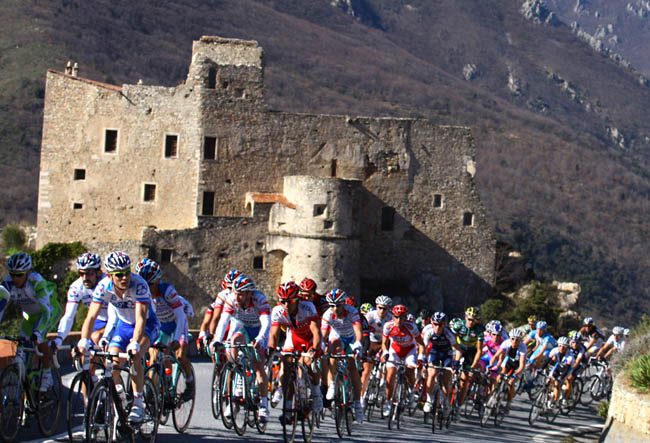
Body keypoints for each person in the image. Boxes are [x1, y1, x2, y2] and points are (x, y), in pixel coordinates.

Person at [76, 251, 160, 423]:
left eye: (127, 272)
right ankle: (120, 394)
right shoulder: (103, 287)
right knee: (112, 364)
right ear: (109, 275)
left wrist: (135, 343)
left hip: (146, 326)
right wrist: (84, 340)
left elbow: (141, 318)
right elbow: (91, 316)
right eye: (119, 274)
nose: (124, 278)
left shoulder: (140, 285)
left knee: (135, 355)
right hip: (123, 326)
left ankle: (138, 403)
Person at [212, 274, 271, 421]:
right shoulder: (231, 299)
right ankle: (236, 391)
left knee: (258, 367)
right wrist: (217, 340)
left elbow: (266, 323)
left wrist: (260, 339)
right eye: (235, 293)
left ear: (249, 294)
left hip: (258, 330)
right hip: (242, 327)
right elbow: (223, 321)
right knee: (234, 341)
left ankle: (264, 405)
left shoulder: (260, 299)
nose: (237, 297)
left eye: (240, 294)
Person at [0, 252, 62, 392]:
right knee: (22, 348)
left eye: (19, 275)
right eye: (13, 274)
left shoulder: (36, 281)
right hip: (29, 315)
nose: (15, 278)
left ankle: (47, 374)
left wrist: (38, 333)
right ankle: (27, 388)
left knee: (40, 338)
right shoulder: (7, 282)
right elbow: (1, 307)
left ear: (28, 272)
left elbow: (46, 311)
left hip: (48, 311)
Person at [135, 258, 194, 400]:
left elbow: (180, 317)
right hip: (161, 325)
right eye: (143, 284)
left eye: (150, 284)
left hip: (177, 323)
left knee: (179, 356)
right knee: (154, 357)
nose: (146, 288)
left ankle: (189, 383)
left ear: (157, 281)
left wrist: (176, 339)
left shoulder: (167, 291)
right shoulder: (140, 292)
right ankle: (154, 392)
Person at [268, 281, 323, 418]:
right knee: (286, 365)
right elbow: (274, 335)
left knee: (309, 362)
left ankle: (316, 393)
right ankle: (287, 408)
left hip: (310, 339)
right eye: (283, 301)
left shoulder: (308, 307)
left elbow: (316, 332)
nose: (286, 305)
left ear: (297, 299)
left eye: (291, 301)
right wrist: (270, 349)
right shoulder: (278, 311)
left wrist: (314, 350)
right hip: (294, 337)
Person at [321, 288, 364, 423]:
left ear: (344, 304)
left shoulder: (352, 312)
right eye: (332, 306)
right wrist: (322, 348)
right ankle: (332, 384)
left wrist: (357, 344)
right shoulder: (328, 314)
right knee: (332, 351)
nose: (334, 309)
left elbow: (358, 332)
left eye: (337, 305)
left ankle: (357, 404)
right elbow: (323, 335)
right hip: (337, 336)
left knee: (352, 369)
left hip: (351, 338)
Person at [381, 304, 424, 417]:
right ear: (393, 317)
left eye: (402, 317)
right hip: (395, 350)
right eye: (396, 317)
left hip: (409, 350)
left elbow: (421, 343)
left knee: (410, 370)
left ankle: (411, 392)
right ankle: (388, 403)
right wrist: (385, 352)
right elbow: (384, 343)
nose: (399, 320)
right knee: (390, 376)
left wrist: (420, 358)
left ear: (406, 318)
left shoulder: (411, 327)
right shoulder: (388, 326)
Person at [421, 311, 461, 414]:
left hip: (447, 354)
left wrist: (456, 363)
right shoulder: (428, 331)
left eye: (441, 325)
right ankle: (429, 400)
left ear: (445, 324)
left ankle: (445, 400)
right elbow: (424, 348)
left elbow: (458, 350)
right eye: (435, 324)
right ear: (431, 323)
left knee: (446, 379)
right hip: (434, 353)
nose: (438, 327)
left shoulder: (448, 333)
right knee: (431, 374)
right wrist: (424, 360)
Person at [488, 328, 527, 413]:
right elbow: (495, 357)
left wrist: (515, 374)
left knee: (511, 382)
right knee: (498, 377)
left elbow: (521, 365)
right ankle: (494, 395)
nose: (515, 341)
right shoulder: (506, 343)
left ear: (520, 340)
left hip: (517, 366)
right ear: (510, 338)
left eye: (517, 340)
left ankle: (509, 402)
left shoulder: (523, 347)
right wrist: (491, 366)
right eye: (513, 339)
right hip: (508, 363)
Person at [361, 295, 393, 399]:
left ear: (389, 309)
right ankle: (361, 396)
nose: (382, 311)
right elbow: (363, 331)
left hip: (384, 343)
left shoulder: (391, 318)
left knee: (385, 363)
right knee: (366, 371)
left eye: (385, 308)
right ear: (376, 306)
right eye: (380, 308)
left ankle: (382, 384)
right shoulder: (370, 316)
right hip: (371, 342)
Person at [453, 306, 485, 407]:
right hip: (458, 348)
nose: (471, 322)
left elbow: (479, 350)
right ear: (465, 317)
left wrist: (473, 366)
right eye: (469, 319)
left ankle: (459, 405)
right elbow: (451, 340)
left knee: (464, 382)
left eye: (474, 320)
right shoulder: (458, 325)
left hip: (471, 352)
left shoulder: (479, 329)